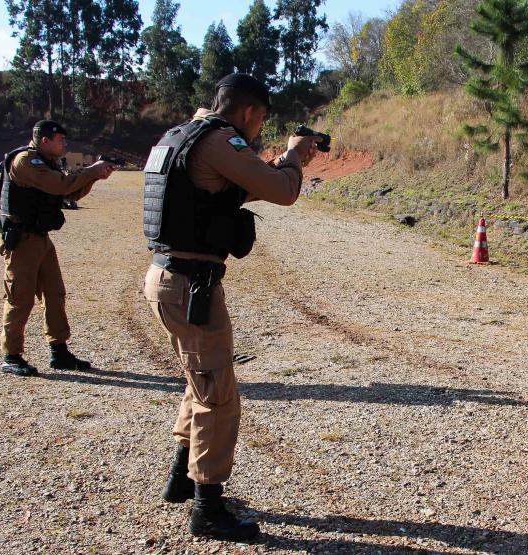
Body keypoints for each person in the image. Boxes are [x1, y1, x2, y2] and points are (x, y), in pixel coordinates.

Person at [143, 73, 319, 541]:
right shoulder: (220, 140)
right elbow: (281, 191)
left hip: (169, 277)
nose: (257, 129)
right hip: (189, 284)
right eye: (259, 120)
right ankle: (208, 509)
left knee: (201, 378)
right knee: (218, 395)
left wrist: (281, 160)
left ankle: (181, 479)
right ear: (249, 113)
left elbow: (238, 187)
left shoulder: (180, 136)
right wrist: (296, 159)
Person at [0, 120, 115, 376]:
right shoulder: (26, 161)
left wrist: (95, 176)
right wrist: (92, 171)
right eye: (60, 140)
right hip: (21, 239)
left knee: (54, 294)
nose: (64, 144)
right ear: (45, 140)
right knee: (20, 297)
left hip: (39, 237)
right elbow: (60, 185)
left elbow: (69, 194)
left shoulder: (48, 163)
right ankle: (11, 355)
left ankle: (59, 351)